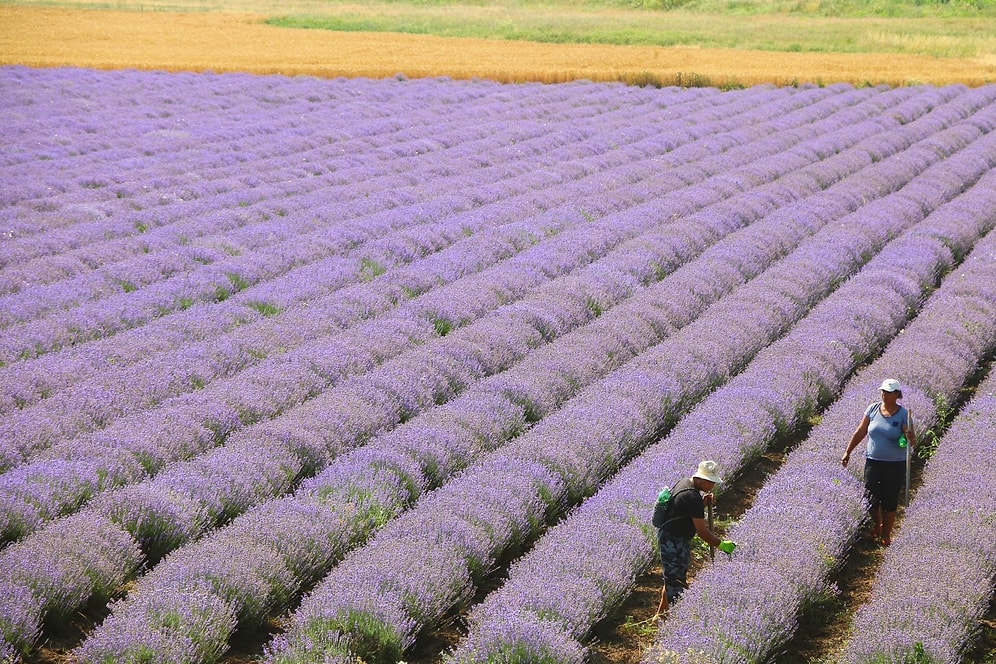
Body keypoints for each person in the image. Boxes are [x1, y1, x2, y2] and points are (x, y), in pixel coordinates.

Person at [841, 378, 916, 546]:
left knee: (889, 499)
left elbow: (910, 441)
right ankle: (877, 523)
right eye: (883, 391)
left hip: (895, 464)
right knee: (870, 497)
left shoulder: (904, 414)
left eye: (888, 392)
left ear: (897, 394)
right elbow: (860, 431)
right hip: (873, 461)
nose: (884, 395)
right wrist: (848, 451)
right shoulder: (873, 409)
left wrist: (909, 437)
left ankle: (886, 534)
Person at [654, 459, 735, 610]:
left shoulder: (685, 483)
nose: (712, 485)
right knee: (676, 584)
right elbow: (702, 531)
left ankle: (660, 616)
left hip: (673, 537)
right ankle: (675, 618)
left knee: (673, 579)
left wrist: (702, 503)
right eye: (710, 482)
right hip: (673, 541)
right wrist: (721, 544)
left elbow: (684, 511)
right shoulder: (692, 497)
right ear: (699, 479)